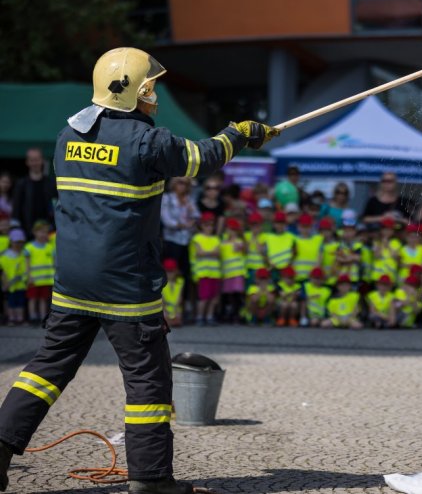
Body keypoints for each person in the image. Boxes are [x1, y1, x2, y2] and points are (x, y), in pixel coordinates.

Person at [0, 48, 280, 494]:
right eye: (151, 90)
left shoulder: (65, 136)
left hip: (72, 281)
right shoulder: (148, 141)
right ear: (135, 92)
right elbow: (201, 158)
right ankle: (150, 480)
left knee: (46, 368)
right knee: (148, 379)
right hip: (126, 283)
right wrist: (240, 132)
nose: (155, 99)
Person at [160, 177, 199, 288]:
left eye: (186, 184)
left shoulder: (189, 199)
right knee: (171, 269)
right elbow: (166, 220)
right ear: (174, 184)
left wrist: (192, 216)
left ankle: (184, 301)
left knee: (186, 273)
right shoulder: (167, 198)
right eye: (180, 183)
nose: (183, 186)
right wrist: (183, 225)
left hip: (186, 239)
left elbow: (196, 215)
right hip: (172, 239)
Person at [12, 148, 57, 239]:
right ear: (27, 162)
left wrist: (53, 225)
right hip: (26, 232)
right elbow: (16, 208)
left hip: (48, 232)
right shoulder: (21, 184)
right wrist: (18, 230)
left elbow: (55, 205)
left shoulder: (51, 183)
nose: (35, 163)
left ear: (42, 161)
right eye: (32, 160)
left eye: (37, 160)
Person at [24, 220, 55, 325]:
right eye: (40, 232)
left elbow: (54, 263)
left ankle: (42, 317)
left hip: (46, 280)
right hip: (33, 279)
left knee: (43, 299)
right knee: (32, 299)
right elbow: (26, 264)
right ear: (34, 232)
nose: (43, 234)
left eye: (45, 232)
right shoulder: (29, 248)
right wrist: (29, 276)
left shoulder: (50, 248)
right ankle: (32, 317)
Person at [219, 218, 247, 323]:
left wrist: (239, 244)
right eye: (230, 230)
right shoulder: (223, 242)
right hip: (227, 273)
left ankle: (237, 313)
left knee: (237, 293)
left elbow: (244, 249)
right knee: (229, 294)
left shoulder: (239, 242)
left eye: (234, 230)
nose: (231, 232)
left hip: (237, 272)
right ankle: (232, 314)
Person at [0, 229, 28, 326]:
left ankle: (20, 319)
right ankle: (11, 319)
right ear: (11, 241)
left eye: (20, 242)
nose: (18, 244)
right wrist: (5, 283)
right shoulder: (4, 256)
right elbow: (3, 272)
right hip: (10, 284)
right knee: (11, 302)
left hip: (21, 284)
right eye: (16, 242)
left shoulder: (25, 254)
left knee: (20, 302)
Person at [161, 259, 184, 328]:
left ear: (176, 271)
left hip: (176, 307)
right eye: (168, 271)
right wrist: (166, 311)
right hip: (165, 308)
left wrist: (175, 310)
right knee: (166, 317)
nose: (170, 274)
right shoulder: (161, 282)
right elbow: (161, 300)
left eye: (172, 271)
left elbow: (180, 297)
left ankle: (173, 321)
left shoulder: (180, 281)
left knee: (177, 318)